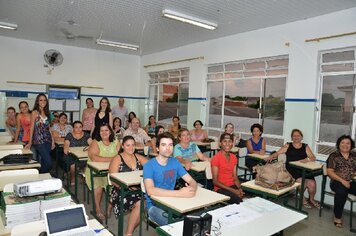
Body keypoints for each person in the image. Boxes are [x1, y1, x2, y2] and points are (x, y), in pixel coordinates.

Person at [143, 132, 198, 226]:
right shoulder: (149, 165)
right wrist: (180, 193)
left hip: (173, 201)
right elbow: (150, 190)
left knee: (196, 217)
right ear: (157, 148)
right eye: (163, 145)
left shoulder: (175, 162)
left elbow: (191, 180)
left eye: (170, 145)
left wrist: (191, 188)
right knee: (175, 225)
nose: (168, 148)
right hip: (154, 206)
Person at [266, 129, 319, 209]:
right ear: (292, 137)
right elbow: (277, 153)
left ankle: (311, 199)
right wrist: (271, 156)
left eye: (298, 135)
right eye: (294, 136)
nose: (296, 137)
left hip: (304, 169)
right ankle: (303, 199)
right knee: (302, 183)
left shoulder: (305, 146)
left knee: (312, 184)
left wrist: (306, 160)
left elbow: (313, 158)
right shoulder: (288, 145)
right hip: (292, 169)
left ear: (301, 137)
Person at [109, 135, 147, 235]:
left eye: (133, 145)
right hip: (121, 191)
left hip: (138, 190)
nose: (131, 148)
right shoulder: (117, 159)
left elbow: (152, 166)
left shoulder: (138, 157)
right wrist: (129, 187)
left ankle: (129, 231)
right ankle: (128, 233)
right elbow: (113, 180)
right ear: (122, 146)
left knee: (145, 203)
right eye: (128, 145)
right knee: (141, 203)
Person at [86, 123, 121, 221]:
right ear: (99, 132)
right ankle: (97, 209)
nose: (104, 132)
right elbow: (94, 157)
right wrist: (113, 159)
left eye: (106, 130)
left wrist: (115, 160)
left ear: (110, 131)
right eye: (102, 130)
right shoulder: (95, 142)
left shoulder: (115, 141)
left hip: (111, 171)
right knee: (99, 187)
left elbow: (120, 155)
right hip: (94, 171)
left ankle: (109, 208)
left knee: (117, 186)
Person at [326, 135, 356, 228]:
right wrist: (342, 181)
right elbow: (329, 172)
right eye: (342, 142)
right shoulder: (333, 156)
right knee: (341, 191)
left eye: (348, 143)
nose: (345, 145)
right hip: (337, 181)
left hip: (352, 181)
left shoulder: (354, 155)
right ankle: (337, 216)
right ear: (339, 144)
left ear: (351, 145)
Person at [211, 133, 244, 204]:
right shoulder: (216, 158)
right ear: (220, 143)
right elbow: (215, 182)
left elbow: (235, 177)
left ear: (232, 143)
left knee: (242, 199)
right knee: (239, 202)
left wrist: (239, 188)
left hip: (232, 186)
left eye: (230, 141)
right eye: (224, 141)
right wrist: (234, 191)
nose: (227, 144)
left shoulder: (234, 157)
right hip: (221, 188)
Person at [26, 93, 55, 173]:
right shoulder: (35, 112)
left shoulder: (48, 112)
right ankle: (40, 174)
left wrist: (52, 141)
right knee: (49, 163)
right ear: (37, 102)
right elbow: (32, 127)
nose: (43, 101)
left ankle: (42, 179)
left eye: (45, 100)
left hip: (48, 140)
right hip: (38, 141)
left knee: (44, 162)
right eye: (41, 100)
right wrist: (30, 142)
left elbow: (49, 128)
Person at [63, 121, 92, 185]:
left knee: (90, 162)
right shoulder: (69, 135)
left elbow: (92, 145)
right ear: (73, 128)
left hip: (83, 155)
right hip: (71, 155)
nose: (78, 129)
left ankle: (84, 178)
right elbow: (66, 145)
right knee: (73, 165)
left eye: (80, 127)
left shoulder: (86, 135)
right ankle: (72, 178)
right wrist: (66, 148)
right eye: (76, 127)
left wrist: (89, 148)